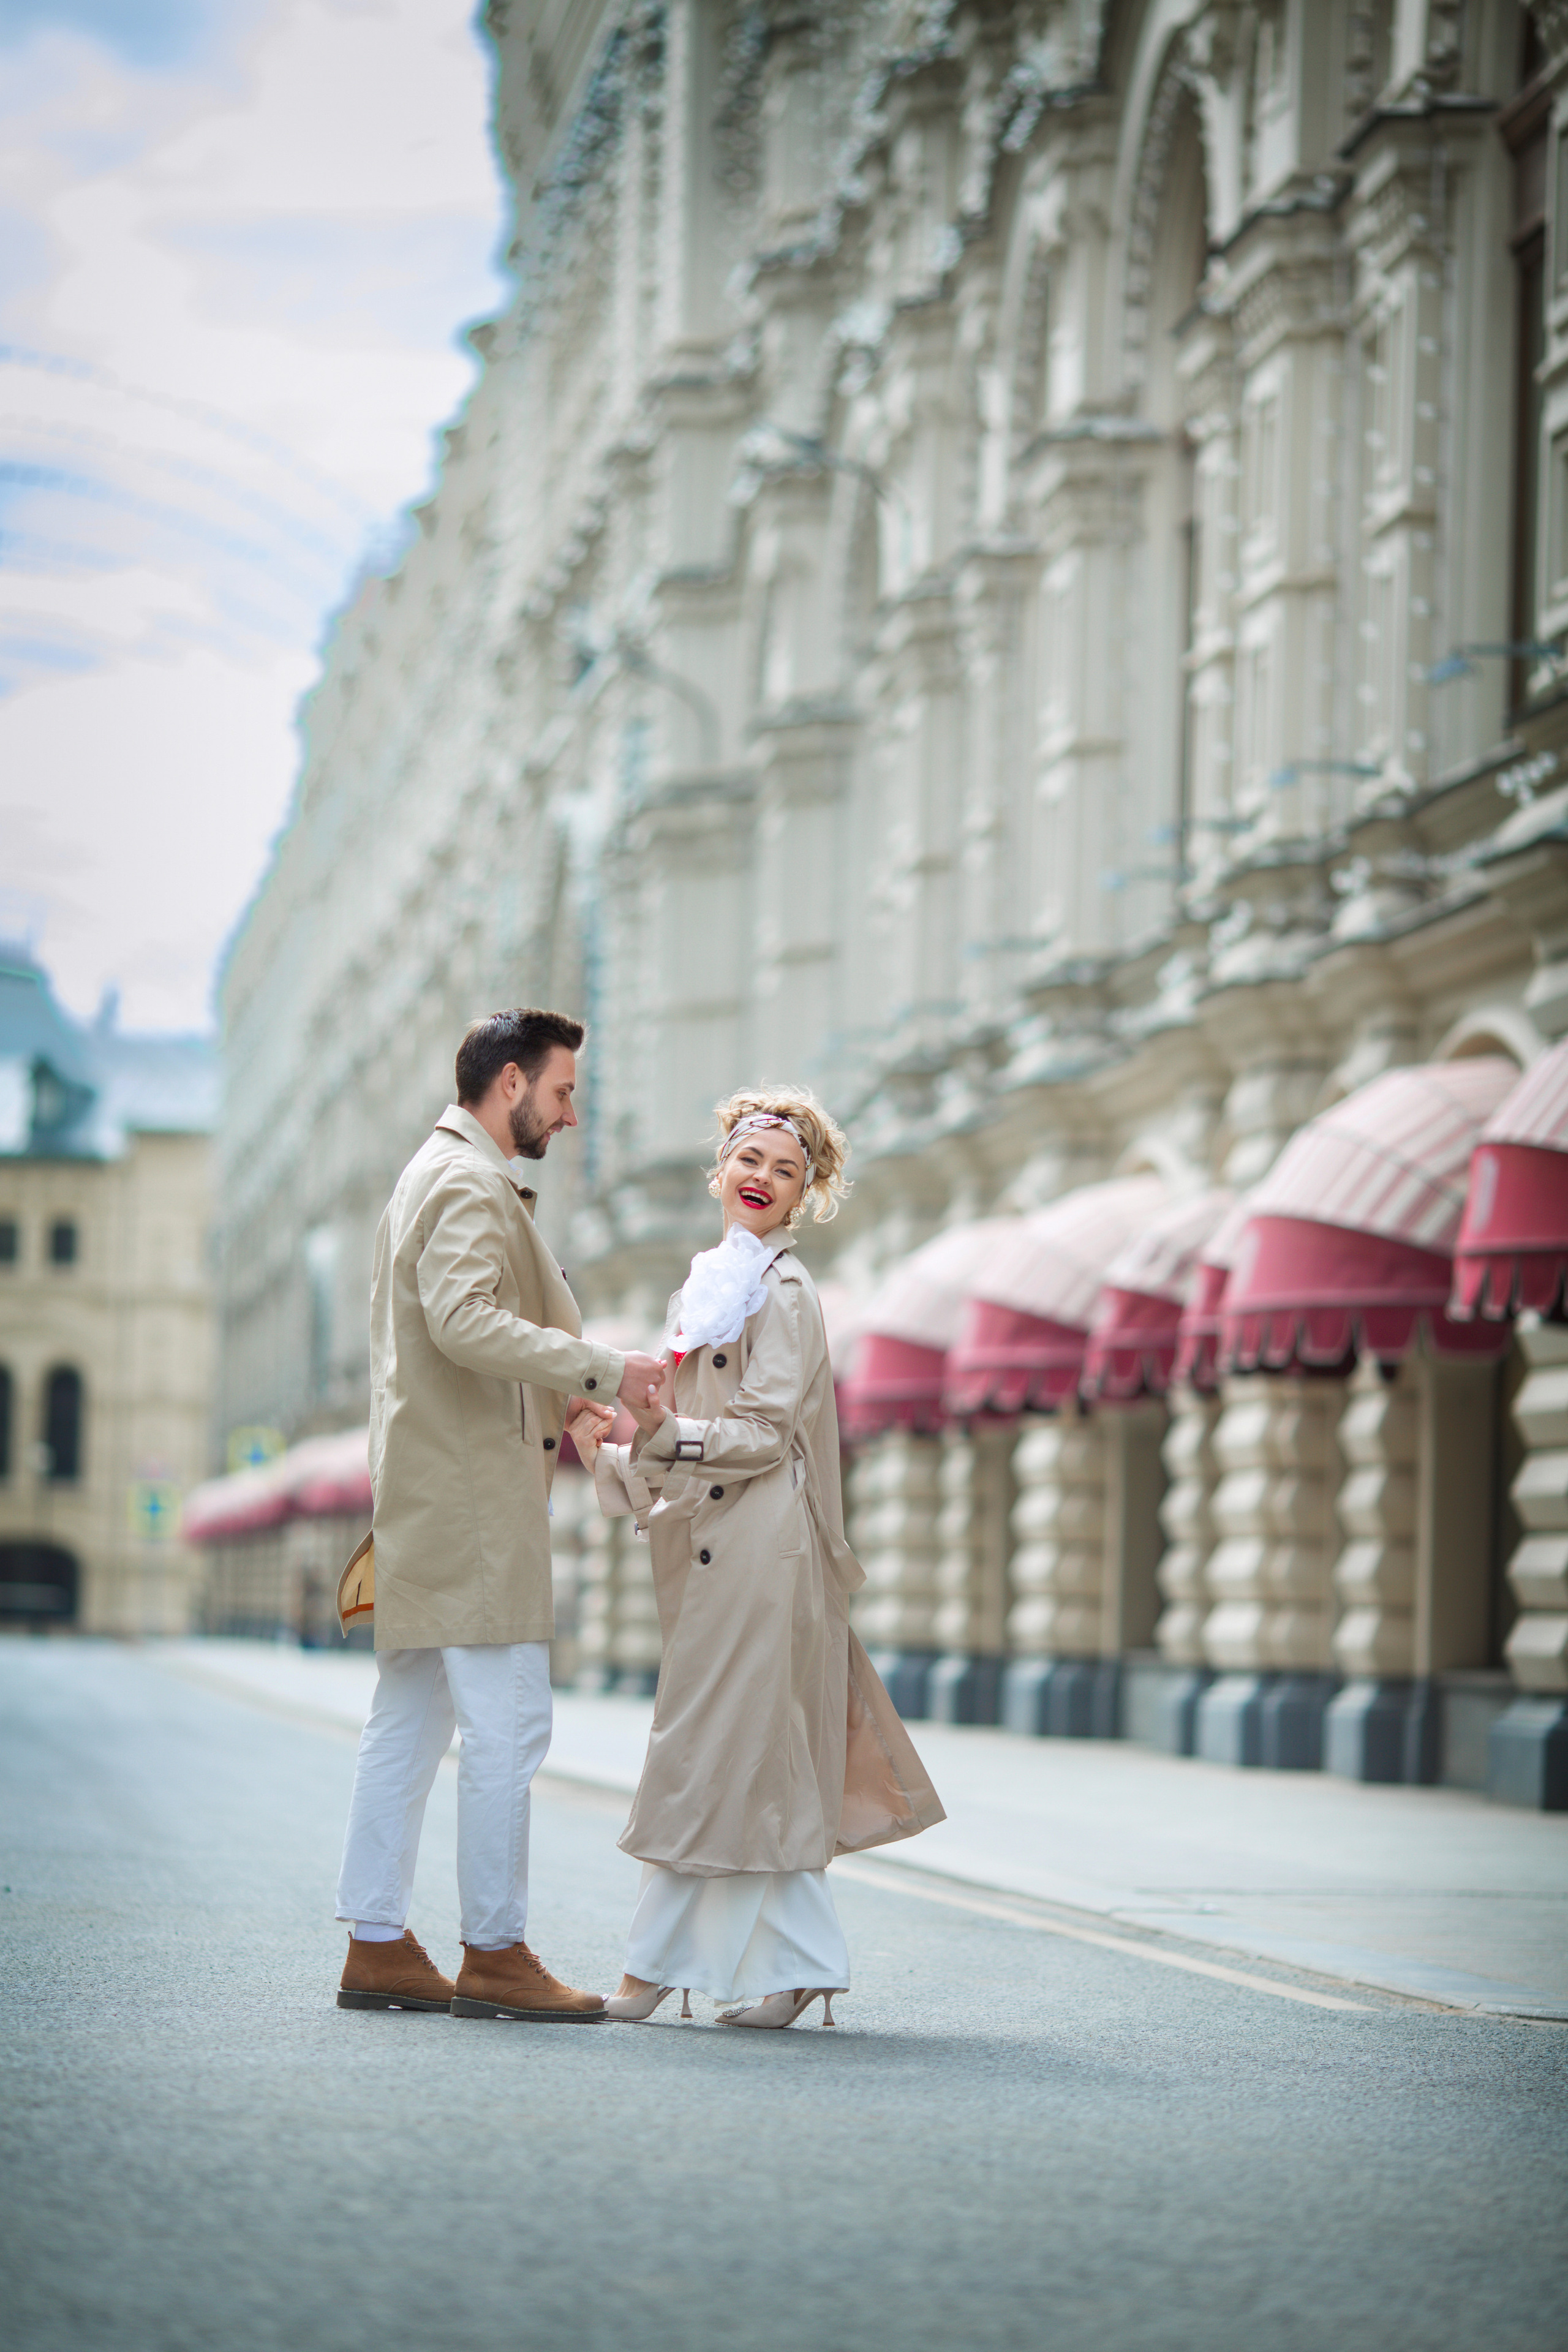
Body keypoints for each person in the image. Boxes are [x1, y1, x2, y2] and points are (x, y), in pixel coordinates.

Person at [567, 1085, 944, 2030]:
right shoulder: (710, 1282)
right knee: (726, 1759)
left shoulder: (782, 1291)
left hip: (764, 1548)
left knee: (725, 1758)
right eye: (749, 1161)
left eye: (786, 1170)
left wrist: (652, 1440)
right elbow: (689, 1431)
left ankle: (664, 1970)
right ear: (720, 1171)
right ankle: (759, 1965)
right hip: (720, 1543)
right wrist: (615, 1453)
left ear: (805, 1194)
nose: (762, 1179)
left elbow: (764, 1436)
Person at [334, 1008, 666, 2022]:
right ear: (512, 1083)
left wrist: (564, 1398)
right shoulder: (470, 1180)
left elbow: (451, 1337)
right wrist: (603, 1368)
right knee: (509, 1726)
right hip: (473, 1506)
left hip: (434, 1495)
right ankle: (495, 1951)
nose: (571, 1117)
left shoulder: (438, 1173)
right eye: (563, 1093)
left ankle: (377, 1940)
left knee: (407, 1723)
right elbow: (465, 1319)